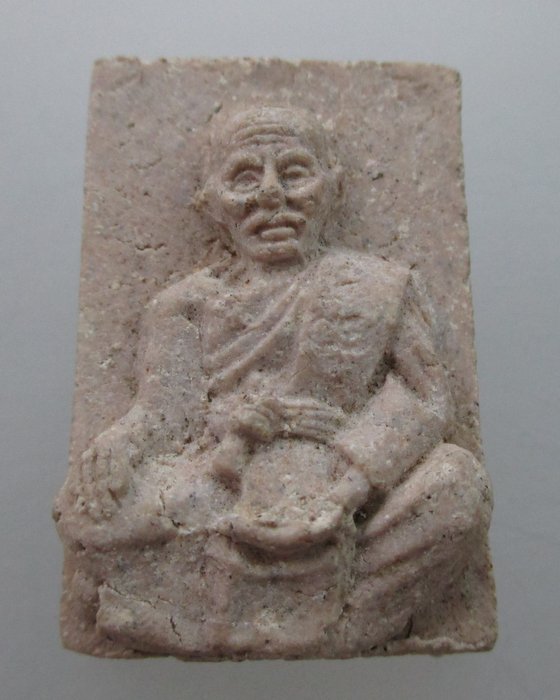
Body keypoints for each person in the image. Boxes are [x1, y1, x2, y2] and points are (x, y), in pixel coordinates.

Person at [57, 106, 492, 655]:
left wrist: (347, 489)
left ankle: (331, 622)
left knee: (457, 484)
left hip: (339, 484)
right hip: (221, 481)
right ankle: (256, 617)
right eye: (244, 177)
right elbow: (165, 416)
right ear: (210, 201)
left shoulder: (378, 287)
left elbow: (423, 397)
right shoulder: (183, 306)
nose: (270, 194)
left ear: (333, 186)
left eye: (293, 173)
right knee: (84, 508)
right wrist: (119, 443)